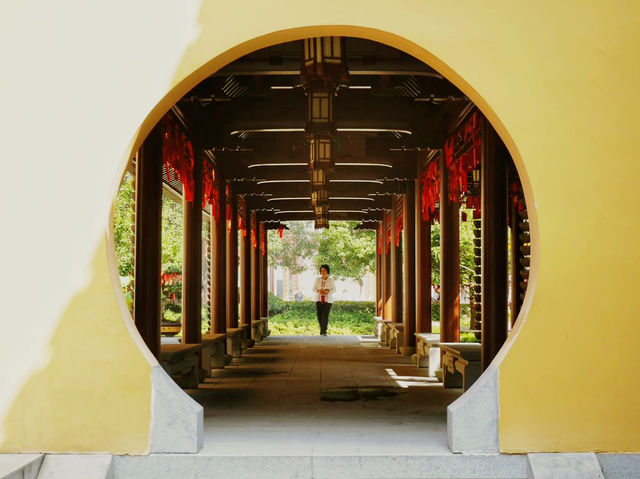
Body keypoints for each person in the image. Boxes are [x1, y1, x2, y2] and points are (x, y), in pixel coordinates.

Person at [313, 264, 335, 336]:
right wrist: (318, 290)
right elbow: (313, 288)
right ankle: (322, 329)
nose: (323, 272)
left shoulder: (331, 280)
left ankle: (323, 332)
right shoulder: (317, 279)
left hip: (328, 301)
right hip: (319, 299)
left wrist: (327, 291)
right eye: (321, 270)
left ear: (327, 271)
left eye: (324, 270)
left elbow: (334, 289)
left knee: (325, 316)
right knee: (319, 315)